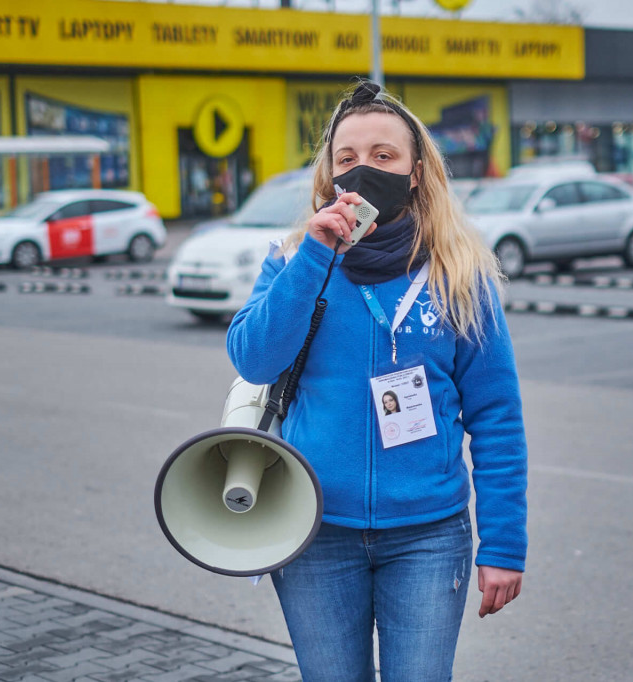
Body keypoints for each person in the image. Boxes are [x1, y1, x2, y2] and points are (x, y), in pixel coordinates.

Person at [226, 80, 527, 682]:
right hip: (314, 531)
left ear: (416, 172)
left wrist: (503, 545)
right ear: (330, 174)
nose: (364, 170)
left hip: (429, 537)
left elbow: (497, 418)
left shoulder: (459, 275)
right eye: (347, 159)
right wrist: (316, 254)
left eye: (384, 156)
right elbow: (253, 360)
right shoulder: (293, 259)